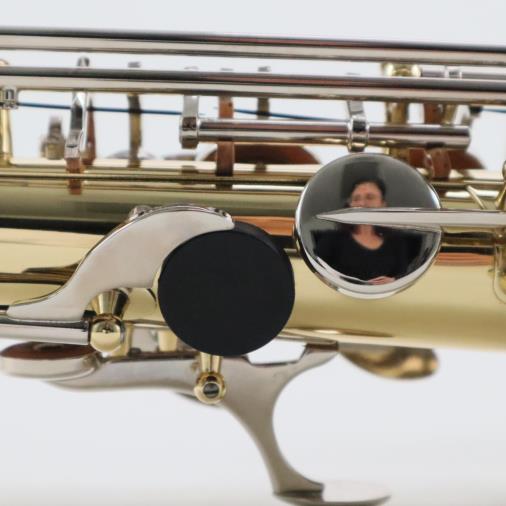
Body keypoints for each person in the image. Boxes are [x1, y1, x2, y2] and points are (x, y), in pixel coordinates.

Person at [315, 177, 409, 285]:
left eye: (370, 197)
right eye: (356, 199)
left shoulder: (396, 241)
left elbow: (404, 274)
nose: (362, 203)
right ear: (349, 205)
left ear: (383, 204)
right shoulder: (332, 239)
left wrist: (393, 281)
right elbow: (318, 271)